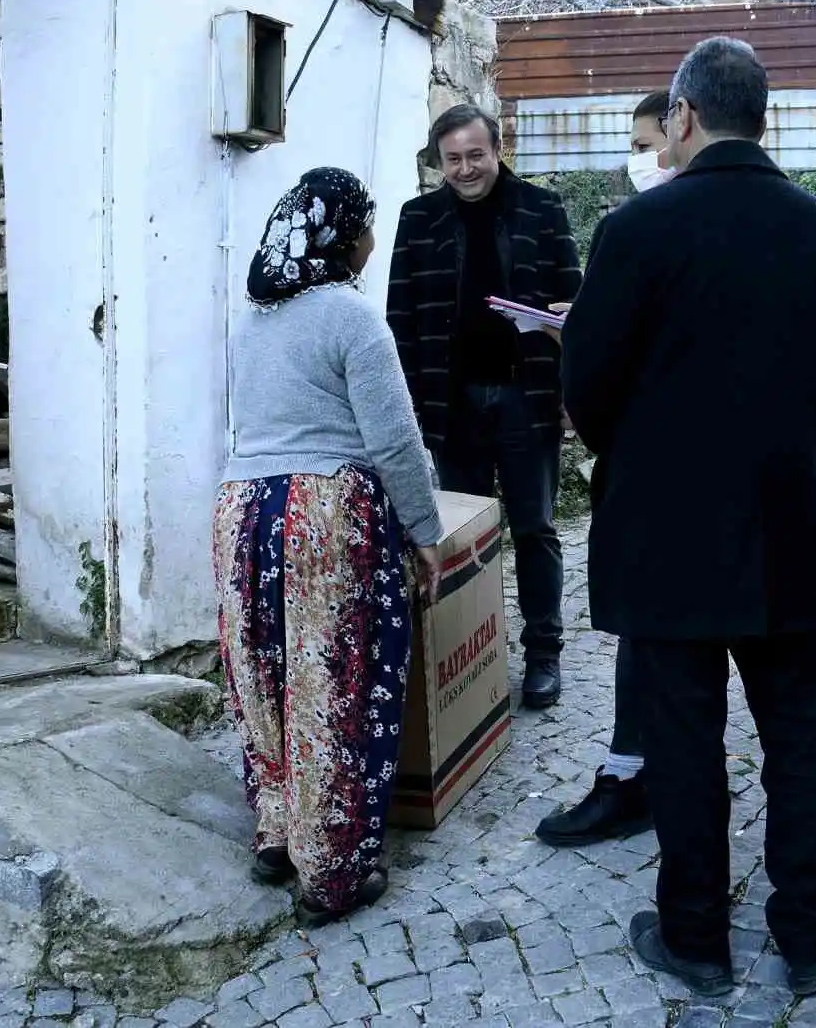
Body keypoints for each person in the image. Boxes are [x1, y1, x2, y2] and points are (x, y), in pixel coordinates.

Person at [560, 39, 816, 998]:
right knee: (802, 735)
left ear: (682, 116)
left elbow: (587, 386)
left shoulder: (636, 230)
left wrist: (645, 448)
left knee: (684, 740)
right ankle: (808, 930)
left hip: (665, 529)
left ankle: (696, 935)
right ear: (761, 117)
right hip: (782, 521)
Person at [215, 168, 444, 928]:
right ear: (344, 237)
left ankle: (278, 832)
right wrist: (426, 531)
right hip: (323, 511)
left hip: (243, 509)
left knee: (265, 676)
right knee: (332, 686)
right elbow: (394, 440)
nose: (374, 239)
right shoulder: (351, 318)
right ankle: (334, 873)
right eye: (368, 225)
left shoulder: (252, 320)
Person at [386, 104, 582, 710]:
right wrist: (415, 409)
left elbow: (573, 302)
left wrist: (566, 362)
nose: (466, 168)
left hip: (528, 396)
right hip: (453, 403)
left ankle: (543, 653)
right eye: (453, 159)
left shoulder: (542, 210)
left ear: (498, 149)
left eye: (476, 155)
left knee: (535, 528)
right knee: (461, 534)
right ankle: (474, 654)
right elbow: (401, 320)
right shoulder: (418, 219)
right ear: (438, 161)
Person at [534, 89, 674, 848]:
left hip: (656, 485)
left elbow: (603, 378)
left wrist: (575, 349)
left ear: (684, 129)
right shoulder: (813, 226)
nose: (639, 161)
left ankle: (636, 780)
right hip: (758, 498)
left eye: (648, 143)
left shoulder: (636, 231)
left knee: (652, 636)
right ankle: (641, 769)